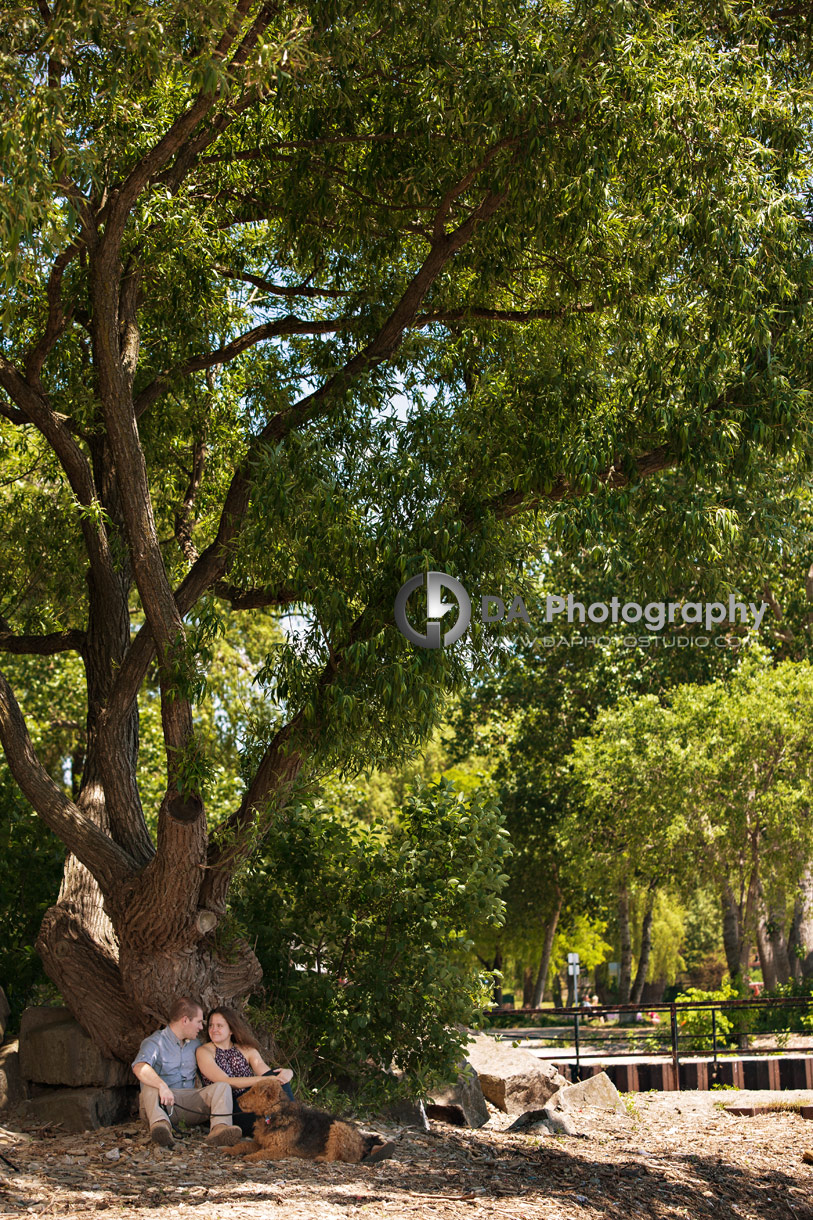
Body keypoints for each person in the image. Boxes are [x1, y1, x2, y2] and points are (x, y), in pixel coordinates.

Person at [131, 996, 243, 1149]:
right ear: (185, 1020)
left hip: (188, 1105)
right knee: (150, 1085)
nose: (201, 1027)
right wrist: (162, 1086)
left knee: (222, 1086)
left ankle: (220, 1130)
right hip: (160, 1104)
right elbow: (139, 1067)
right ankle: (161, 1128)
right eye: (198, 1022)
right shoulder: (155, 1042)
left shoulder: (196, 1045)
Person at [197, 1007, 295, 1137]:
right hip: (229, 1108)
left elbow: (267, 1074)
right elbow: (224, 1081)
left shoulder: (246, 1049)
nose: (214, 1029)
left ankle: (288, 1124)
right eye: (211, 1025)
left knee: (277, 1079)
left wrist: (287, 1073)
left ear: (231, 1029)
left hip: (252, 1102)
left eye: (219, 1025)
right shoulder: (204, 1051)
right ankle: (287, 1127)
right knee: (269, 1102)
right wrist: (265, 1080)